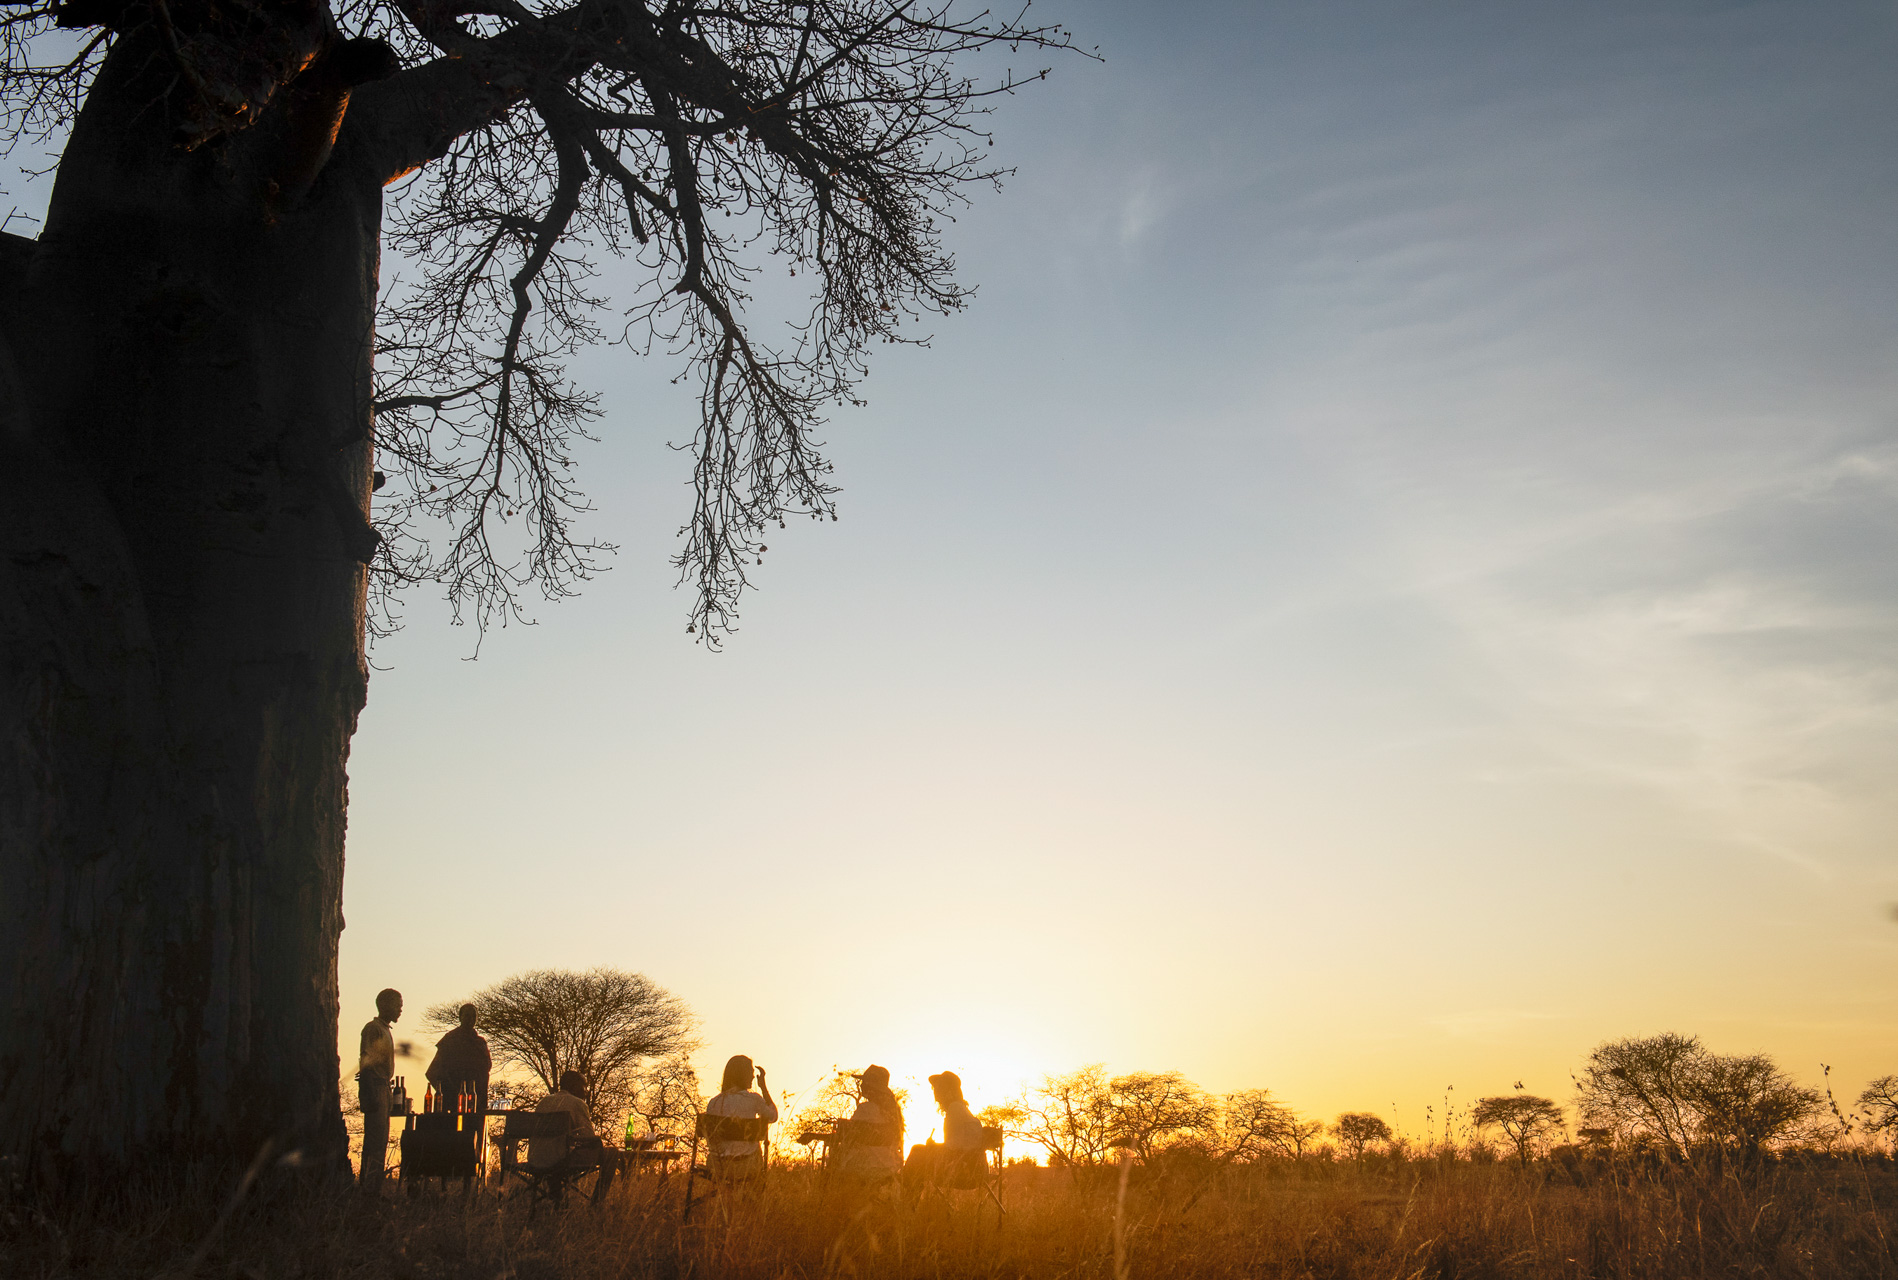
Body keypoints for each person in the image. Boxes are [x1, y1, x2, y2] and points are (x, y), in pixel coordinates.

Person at [532, 1069, 618, 1202]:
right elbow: (589, 1138)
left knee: (555, 1149)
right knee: (611, 1153)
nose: (586, 1091)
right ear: (574, 1086)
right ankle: (597, 1203)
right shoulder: (577, 1103)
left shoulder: (543, 1102)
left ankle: (557, 1197)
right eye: (584, 1087)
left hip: (536, 1159)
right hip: (560, 1161)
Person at [704, 1055, 778, 1183]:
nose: (753, 1077)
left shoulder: (714, 1102)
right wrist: (763, 1088)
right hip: (747, 1167)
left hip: (717, 1167)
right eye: (750, 1072)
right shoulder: (754, 1099)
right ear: (742, 1074)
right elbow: (773, 1117)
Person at [357, 988, 402, 1193]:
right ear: (384, 1005)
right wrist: (369, 1094)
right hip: (375, 1087)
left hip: (384, 1088)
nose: (400, 1009)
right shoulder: (373, 1029)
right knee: (374, 1141)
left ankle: (374, 1190)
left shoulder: (385, 1029)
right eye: (397, 1005)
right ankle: (368, 1190)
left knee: (381, 1141)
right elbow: (366, 1063)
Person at [835, 1064, 904, 1187]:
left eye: (864, 1082)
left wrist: (814, 1136)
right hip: (890, 1167)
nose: (861, 1085)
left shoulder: (866, 1109)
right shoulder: (894, 1111)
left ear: (871, 1085)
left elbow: (848, 1136)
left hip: (866, 1167)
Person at [426, 1003, 492, 1114]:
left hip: (477, 1099)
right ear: (460, 1017)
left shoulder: (480, 1042)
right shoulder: (450, 1040)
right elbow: (434, 1071)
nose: (470, 1019)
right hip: (453, 1100)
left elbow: (486, 1068)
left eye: (473, 1016)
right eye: (467, 1015)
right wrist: (449, 1093)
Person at [929, 1071, 989, 1189]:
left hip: (964, 1172)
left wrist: (933, 1147)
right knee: (920, 1152)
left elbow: (954, 1146)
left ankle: (906, 1191)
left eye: (939, 1087)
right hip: (975, 1169)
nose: (935, 1091)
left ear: (949, 1090)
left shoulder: (955, 1108)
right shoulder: (961, 1108)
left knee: (918, 1151)